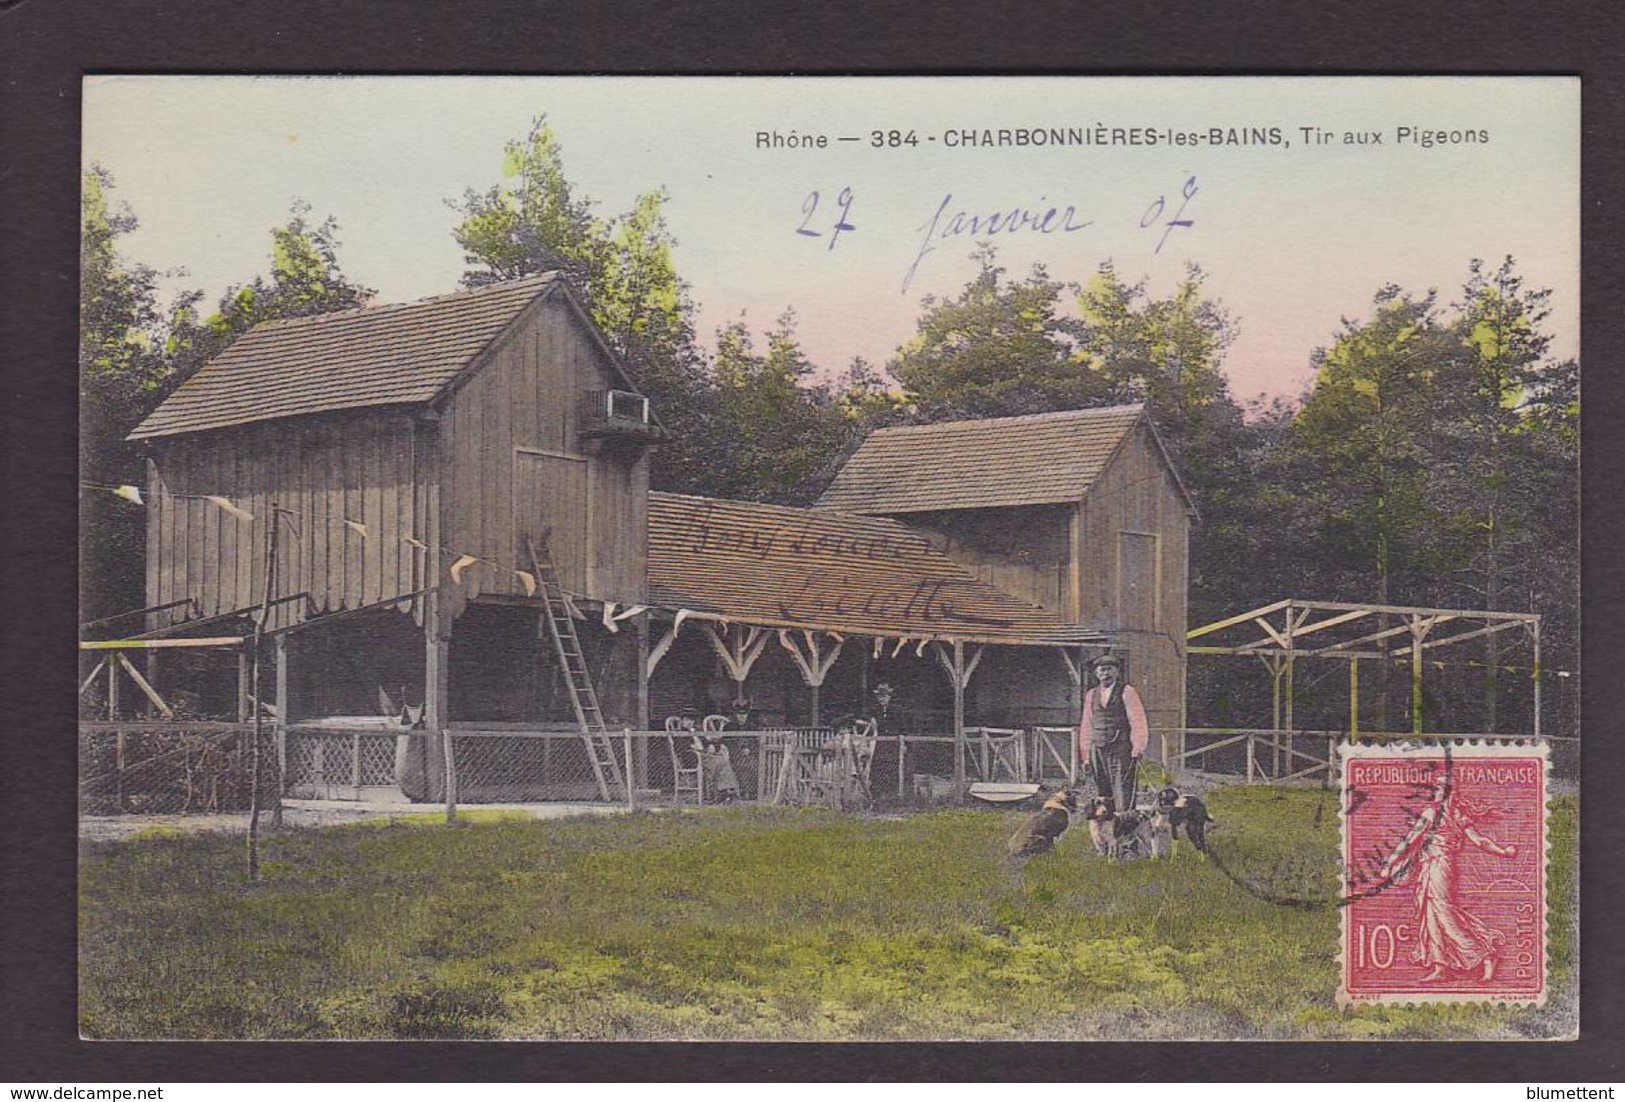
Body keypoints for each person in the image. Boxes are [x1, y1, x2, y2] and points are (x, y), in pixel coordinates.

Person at [1379, 773, 1517, 982]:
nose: (1435, 791)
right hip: (1433, 867)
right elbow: (1479, 840)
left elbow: (1410, 840)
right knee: (1432, 914)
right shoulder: (1455, 814)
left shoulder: (1438, 813)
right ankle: (1440, 967)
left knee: (1444, 914)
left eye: (1439, 788)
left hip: (1439, 867)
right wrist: (1503, 851)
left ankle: (1485, 954)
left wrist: (1390, 863)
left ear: (1448, 792)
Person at [1076, 653, 1148, 812]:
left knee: (1123, 789)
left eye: (1109, 670)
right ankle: (1107, 829)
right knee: (1102, 792)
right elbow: (1087, 725)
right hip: (1098, 749)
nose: (1105, 674)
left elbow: (1138, 720)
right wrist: (1086, 755)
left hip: (1121, 749)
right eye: (1102, 670)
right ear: (1096, 673)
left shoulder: (1127, 691)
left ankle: (1126, 826)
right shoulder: (1091, 695)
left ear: (1116, 672)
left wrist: (1138, 747)